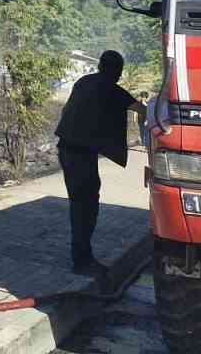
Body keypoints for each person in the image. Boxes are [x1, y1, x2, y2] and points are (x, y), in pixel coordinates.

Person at [55, 49, 144, 275]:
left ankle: (81, 256)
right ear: (118, 71)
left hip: (66, 149)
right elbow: (141, 109)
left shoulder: (84, 81)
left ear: (99, 66)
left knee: (80, 203)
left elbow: (66, 109)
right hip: (81, 155)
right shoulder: (113, 90)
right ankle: (82, 261)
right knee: (86, 206)